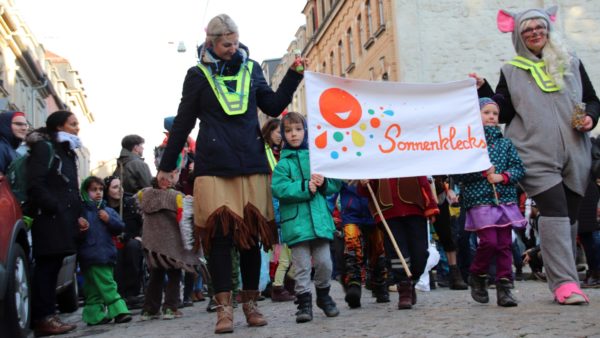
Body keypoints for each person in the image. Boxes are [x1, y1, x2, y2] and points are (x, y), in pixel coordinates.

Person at [156, 13, 305, 334]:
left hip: (252, 165)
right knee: (221, 241)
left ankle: (250, 305)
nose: (232, 49)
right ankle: (224, 311)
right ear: (211, 42)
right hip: (214, 168)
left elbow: (275, 106)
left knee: (251, 239)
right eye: (226, 44)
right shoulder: (196, 75)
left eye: (235, 43)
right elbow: (183, 122)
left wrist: (295, 75)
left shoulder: (251, 70)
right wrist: (167, 166)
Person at [474, 6, 600, 305]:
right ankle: (565, 284)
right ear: (518, 35)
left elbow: (593, 100)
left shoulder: (571, 63)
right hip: (533, 153)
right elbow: (503, 110)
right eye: (527, 29)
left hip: (575, 152)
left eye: (538, 27)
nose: (534, 33)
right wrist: (485, 90)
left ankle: (565, 276)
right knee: (555, 210)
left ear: (548, 29)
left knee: (568, 216)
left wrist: (591, 119)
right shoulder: (512, 70)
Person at [453, 98, 527, 307]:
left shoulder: (505, 144)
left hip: (504, 200)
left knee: (504, 244)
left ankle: (504, 288)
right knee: (489, 242)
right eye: (486, 113)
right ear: (477, 116)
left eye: (495, 113)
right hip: (480, 200)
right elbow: (458, 174)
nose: (492, 117)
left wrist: (502, 177)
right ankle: (477, 274)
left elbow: (519, 168)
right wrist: (481, 172)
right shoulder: (469, 144)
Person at [271, 112, 342, 323]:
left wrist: (324, 182)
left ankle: (323, 294)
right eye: (289, 131)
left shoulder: (317, 158)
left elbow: (334, 185)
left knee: (325, 263)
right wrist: (304, 186)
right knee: (301, 266)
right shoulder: (283, 164)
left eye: (298, 129)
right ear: (283, 135)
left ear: (306, 131)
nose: (294, 134)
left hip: (319, 222)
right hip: (297, 224)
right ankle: (303, 303)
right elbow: (279, 188)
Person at [26, 111, 86, 336]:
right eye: (73, 124)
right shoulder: (46, 147)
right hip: (49, 218)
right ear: (59, 127)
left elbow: (70, 187)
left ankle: (49, 315)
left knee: (55, 267)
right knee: (47, 267)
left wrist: (77, 214)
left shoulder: (67, 151)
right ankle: (43, 318)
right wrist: (55, 207)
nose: (77, 128)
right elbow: (36, 183)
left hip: (63, 218)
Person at [358, 176, 438, 310]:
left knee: (420, 254)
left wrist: (431, 206)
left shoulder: (410, 154)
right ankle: (404, 289)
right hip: (388, 210)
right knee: (397, 253)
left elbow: (422, 177)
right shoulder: (375, 157)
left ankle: (412, 281)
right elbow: (365, 190)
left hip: (415, 207)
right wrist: (364, 183)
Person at [137, 176, 199, 321]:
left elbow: (139, 200)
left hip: (154, 245)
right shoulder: (177, 196)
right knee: (174, 274)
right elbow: (187, 213)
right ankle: (170, 308)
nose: (169, 180)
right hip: (171, 244)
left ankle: (149, 310)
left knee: (156, 275)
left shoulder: (144, 194)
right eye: (167, 178)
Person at [78, 176, 132, 325]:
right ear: (85, 191)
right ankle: (118, 310)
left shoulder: (107, 210)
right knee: (98, 287)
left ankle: (95, 315)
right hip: (89, 255)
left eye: (101, 189)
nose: (98, 193)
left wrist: (109, 220)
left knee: (101, 285)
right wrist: (80, 227)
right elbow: (74, 234)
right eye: (94, 190)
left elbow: (120, 227)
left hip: (105, 255)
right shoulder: (81, 212)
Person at [337, 181, 389, 308]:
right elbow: (332, 185)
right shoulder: (343, 164)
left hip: (373, 210)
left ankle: (379, 283)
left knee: (377, 248)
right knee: (352, 245)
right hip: (351, 213)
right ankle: (353, 284)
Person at [103, 175, 145, 308]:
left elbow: (142, 223)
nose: (119, 189)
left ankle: (132, 293)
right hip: (111, 243)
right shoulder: (103, 208)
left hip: (131, 241)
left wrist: (139, 236)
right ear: (107, 191)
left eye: (120, 186)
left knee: (132, 247)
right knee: (116, 253)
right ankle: (118, 294)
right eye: (115, 187)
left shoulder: (130, 203)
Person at [431, 175, 468, 290]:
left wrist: (450, 188)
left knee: (447, 236)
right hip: (417, 195)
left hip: (439, 195)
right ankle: (421, 276)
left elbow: (450, 171)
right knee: (419, 238)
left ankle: (454, 274)